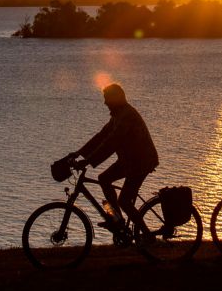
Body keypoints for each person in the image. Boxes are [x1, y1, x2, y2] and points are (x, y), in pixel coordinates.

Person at [66, 83, 159, 230]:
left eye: (107, 99)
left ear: (115, 99)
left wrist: (87, 161)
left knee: (124, 201)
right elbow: (101, 136)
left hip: (141, 162)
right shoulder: (118, 115)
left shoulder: (126, 116)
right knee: (104, 179)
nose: (105, 103)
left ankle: (147, 236)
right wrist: (79, 152)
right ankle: (116, 220)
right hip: (129, 161)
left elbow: (111, 143)